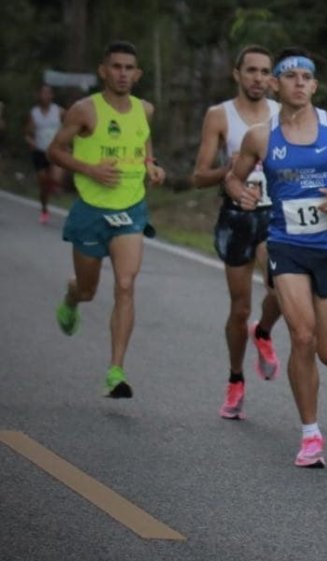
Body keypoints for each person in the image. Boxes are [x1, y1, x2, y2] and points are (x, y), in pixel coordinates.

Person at [226, 47, 327, 467]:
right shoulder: (261, 135)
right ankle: (310, 433)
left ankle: (264, 327)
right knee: (303, 337)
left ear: (314, 85)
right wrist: (242, 194)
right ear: (276, 84)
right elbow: (234, 179)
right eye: (289, 76)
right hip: (286, 245)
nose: (297, 83)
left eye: (305, 77)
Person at [48, 41, 166, 398]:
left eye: (129, 68)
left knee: (126, 285)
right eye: (116, 67)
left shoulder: (145, 110)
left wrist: (151, 166)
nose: (123, 74)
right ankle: (72, 297)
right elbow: (54, 150)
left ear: (138, 73)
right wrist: (90, 170)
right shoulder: (84, 111)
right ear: (103, 70)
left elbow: (143, 144)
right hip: (90, 211)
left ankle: (116, 371)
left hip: (130, 210)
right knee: (88, 289)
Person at [192, 45, 283, 420]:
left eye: (265, 72)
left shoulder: (283, 114)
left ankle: (262, 331)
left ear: (272, 79)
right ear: (237, 74)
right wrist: (228, 171)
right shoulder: (220, 116)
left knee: (280, 288)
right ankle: (235, 378)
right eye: (251, 71)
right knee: (239, 305)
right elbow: (198, 176)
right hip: (236, 218)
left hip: (275, 215)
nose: (258, 78)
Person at [26, 85, 65, 223]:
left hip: (55, 150)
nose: (45, 96)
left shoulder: (59, 111)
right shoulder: (34, 113)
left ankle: (54, 186)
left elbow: (69, 127)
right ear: (39, 95)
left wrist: (66, 143)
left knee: (56, 178)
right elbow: (28, 134)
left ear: (52, 95)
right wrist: (31, 142)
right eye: (43, 93)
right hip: (40, 151)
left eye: (48, 93)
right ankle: (44, 209)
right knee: (43, 183)